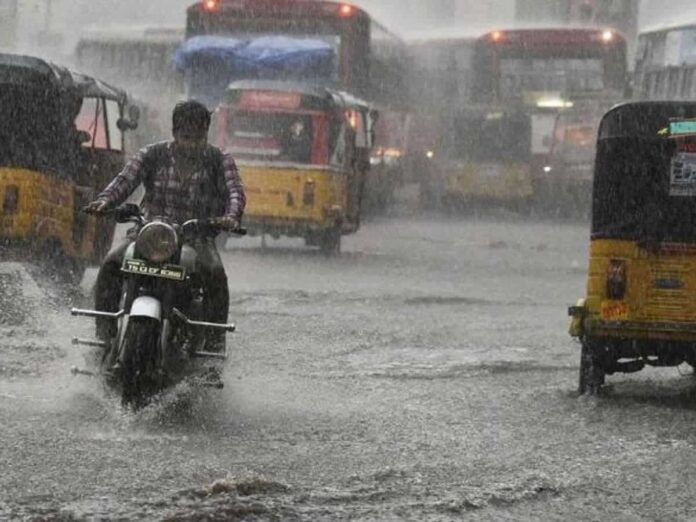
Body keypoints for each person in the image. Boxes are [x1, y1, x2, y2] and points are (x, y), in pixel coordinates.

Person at [86, 100, 246, 351]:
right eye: (185, 137)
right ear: (174, 133)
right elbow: (124, 181)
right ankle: (103, 336)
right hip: (148, 233)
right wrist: (104, 201)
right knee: (110, 265)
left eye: (197, 137)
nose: (191, 144)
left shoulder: (220, 160)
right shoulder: (151, 154)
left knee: (215, 274)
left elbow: (235, 192)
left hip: (195, 238)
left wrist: (231, 216)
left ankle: (214, 347)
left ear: (206, 134)